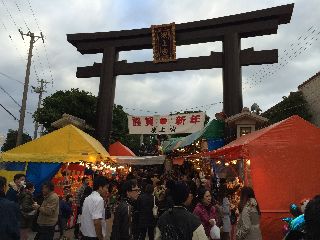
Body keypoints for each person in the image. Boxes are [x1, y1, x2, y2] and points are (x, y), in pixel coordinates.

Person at [81, 175, 109, 240]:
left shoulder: (88, 198)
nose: (107, 190)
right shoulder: (99, 199)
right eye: (106, 188)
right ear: (100, 188)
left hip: (85, 234)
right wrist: (100, 237)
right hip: (93, 236)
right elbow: (97, 222)